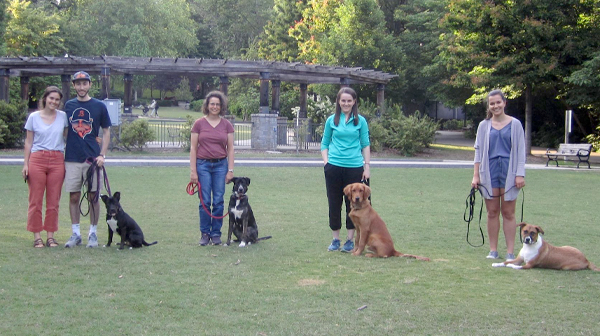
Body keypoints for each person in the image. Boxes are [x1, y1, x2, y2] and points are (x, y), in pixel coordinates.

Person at [471, 89, 526, 260]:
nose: (495, 106)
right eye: (492, 103)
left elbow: (521, 151)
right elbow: (478, 151)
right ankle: (493, 250)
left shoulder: (515, 124)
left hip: (509, 171)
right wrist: (476, 175)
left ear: (504, 103)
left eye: (498, 102)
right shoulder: (483, 125)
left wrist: (520, 174)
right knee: (492, 211)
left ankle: (510, 252)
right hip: (489, 170)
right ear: (489, 106)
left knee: (508, 212)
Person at [63, 71, 112, 248]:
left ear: (90, 85)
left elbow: (106, 131)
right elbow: (64, 130)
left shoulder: (99, 106)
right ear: (74, 86)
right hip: (72, 158)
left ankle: (93, 233)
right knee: (74, 196)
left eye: (85, 84)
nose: (81, 87)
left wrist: (102, 154)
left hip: (92, 159)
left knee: (93, 196)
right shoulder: (68, 106)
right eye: (78, 84)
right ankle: (75, 233)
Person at [321, 87, 371, 253]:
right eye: (343, 100)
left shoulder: (360, 121)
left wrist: (367, 167)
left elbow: (365, 144)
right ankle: (335, 239)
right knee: (334, 203)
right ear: (338, 101)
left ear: (354, 102)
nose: (346, 103)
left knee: (354, 204)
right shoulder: (331, 120)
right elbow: (324, 143)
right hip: (334, 168)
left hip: (355, 168)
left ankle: (350, 240)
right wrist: (326, 163)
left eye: (349, 100)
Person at [22, 86, 68, 248]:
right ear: (45, 98)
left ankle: (50, 236)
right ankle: (37, 236)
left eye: (57, 99)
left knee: (54, 200)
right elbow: (28, 142)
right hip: (37, 159)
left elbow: (70, 137)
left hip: (57, 159)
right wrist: (26, 164)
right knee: (35, 200)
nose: (54, 102)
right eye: (51, 98)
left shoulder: (63, 117)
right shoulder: (34, 117)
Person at [189, 91, 234, 246]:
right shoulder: (199, 124)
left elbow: (231, 149)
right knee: (204, 201)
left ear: (221, 106)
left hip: (221, 165)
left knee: (219, 201)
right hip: (203, 165)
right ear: (207, 106)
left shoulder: (226, 125)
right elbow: (193, 148)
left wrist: (230, 170)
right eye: (212, 104)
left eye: (217, 104)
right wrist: (193, 171)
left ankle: (216, 233)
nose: (214, 106)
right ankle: (205, 233)